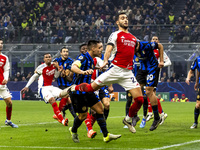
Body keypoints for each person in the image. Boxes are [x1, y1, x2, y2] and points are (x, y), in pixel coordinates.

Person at [67, 12, 145, 133]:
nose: (125, 20)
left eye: (126, 18)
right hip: (115, 69)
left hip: (127, 73)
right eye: (122, 18)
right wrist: (105, 61)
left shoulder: (134, 38)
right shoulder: (115, 35)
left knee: (140, 99)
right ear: (117, 22)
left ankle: (128, 119)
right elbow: (108, 48)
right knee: (90, 88)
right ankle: (72, 88)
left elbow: (137, 51)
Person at [68, 40, 121, 143]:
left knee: (100, 109)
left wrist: (98, 68)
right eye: (100, 48)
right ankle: (73, 130)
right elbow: (73, 67)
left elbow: (91, 68)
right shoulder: (82, 57)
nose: (101, 50)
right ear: (93, 48)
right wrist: (83, 72)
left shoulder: (92, 60)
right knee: (82, 116)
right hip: (78, 92)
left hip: (88, 90)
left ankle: (106, 135)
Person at [21, 53, 69, 126]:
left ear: (51, 58)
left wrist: (59, 70)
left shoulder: (54, 65)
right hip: (43, 89)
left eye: (49, 57)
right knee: (53, 100)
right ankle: (62, 120)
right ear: (44, 59)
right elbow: (34, 77)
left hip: (51, 87)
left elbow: (56, 76)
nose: (48, 58)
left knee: (66, 95)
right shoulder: (41, 67)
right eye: (46, 57)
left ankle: (57, 114)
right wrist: (27, 86)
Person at [134, 38, 164, 130]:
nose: (134, 51)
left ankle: (156, 117)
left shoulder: (146, 45)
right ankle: (136, 115)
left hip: (152, 68)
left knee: (149, 92)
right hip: (142, 69)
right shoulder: (131, 48)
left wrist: (161, 61)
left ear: (138, 45)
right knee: (135, 90)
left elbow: (160, 46)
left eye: (135, 49)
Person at [53, 47, 77, 121]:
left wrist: (62, 71)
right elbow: (54, 63)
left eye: (67, 51)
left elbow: (67, 73)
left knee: (72, 101)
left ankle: (61, 111)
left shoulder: (70, 61)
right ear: (61, 53)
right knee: (68, 98)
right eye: (64, 51)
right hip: (61, 84)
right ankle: (75, 117)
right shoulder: (57, 60)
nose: (66, 53)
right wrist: (58, 67)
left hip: (70, 83)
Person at [0, 38, 18, 128]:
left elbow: (6, 70)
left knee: (9, 103)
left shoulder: (5, 58)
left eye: (2, 43)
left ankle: (8, 121)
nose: (0, 45)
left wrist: (6, 78)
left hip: (2, 85)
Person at [186, 56, 200, 128]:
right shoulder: (197, 60)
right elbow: (193, 71)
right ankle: (195, 123)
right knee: (198, 105)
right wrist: (196, 82)